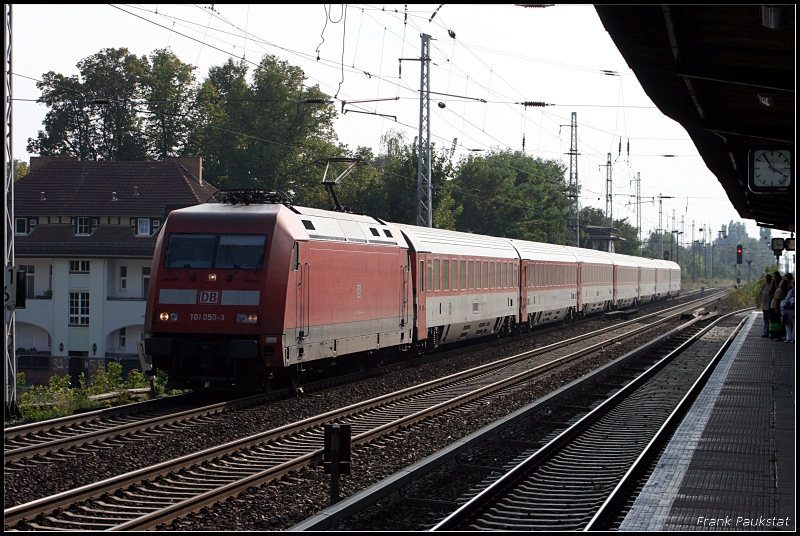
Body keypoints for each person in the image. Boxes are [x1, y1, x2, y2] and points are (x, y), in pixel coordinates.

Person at [771, 276, 790, 340]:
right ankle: (776, 334)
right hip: (775, 307)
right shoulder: (780, 290)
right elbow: (777, 300)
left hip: (775, 306)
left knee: (775, 321)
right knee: (777, 321)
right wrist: (776, 309)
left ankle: (775, 334)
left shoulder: (779, 289)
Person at [780, 275, 794, 343]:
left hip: (790, 309)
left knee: (788, 324)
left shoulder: (791, 291)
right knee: (794, 325)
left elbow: (787, 299)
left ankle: (789, 337)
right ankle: (794, 338)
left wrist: (783, 306)